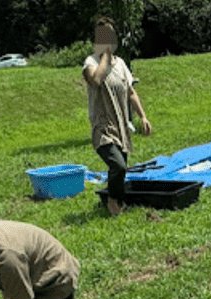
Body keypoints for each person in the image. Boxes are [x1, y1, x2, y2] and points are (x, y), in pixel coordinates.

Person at [83, 16, 152, 216]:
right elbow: (96, 80)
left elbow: (131, 92)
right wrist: (104, 56)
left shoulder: (121, 64)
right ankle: (112, 202)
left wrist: (143, 117)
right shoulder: (91, 62)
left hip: (121, 126)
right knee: (118, 166)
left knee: (121, 170)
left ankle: (119, 201)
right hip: (102, 127)